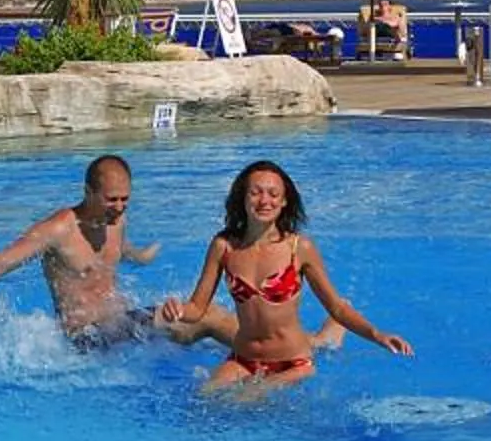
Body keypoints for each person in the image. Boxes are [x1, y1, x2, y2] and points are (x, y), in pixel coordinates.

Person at [158, 160, 410, 393]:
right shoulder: (224, 246)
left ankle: (329, 335)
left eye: (273, 194)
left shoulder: (299, 248)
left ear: (284, 201)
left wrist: (378, 335)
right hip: (243, 359)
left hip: (293, 362)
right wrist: (178, 310)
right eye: (255, 192)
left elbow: (337, 307)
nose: (264, 201)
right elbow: (197, 308)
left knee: (245, 401)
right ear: (242, 198)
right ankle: (326, 337)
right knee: (203, 400)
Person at [0, 154, 166, 343]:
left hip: (120, 323)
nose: (119, 207)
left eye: (124, 199)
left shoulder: (116, 220)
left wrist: (142, 256)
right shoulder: (57, 230)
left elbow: (117, 249)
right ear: (88, 192)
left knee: (188, 317)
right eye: (111, 200)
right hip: (88, 338)